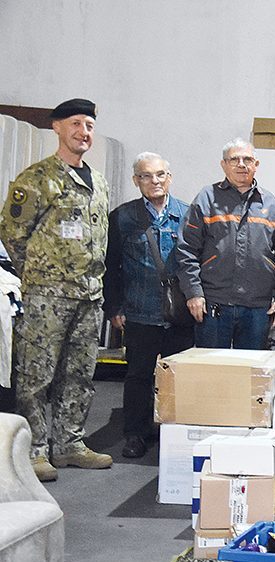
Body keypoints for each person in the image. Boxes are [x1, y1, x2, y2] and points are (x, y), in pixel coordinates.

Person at [0, 98, 112, 481]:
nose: (84, 132)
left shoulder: (99, 183)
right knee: (36, 375)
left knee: (79, 374)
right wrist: (40, 275)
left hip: (89, 297)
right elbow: (13, 234)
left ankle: (69, 444)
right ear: (58, 127)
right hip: (46, 297)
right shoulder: (37, 179)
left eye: (89, 126)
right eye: (76, 124)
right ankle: (33, 451)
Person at [104, 152, 193, 460]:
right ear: (136, 180)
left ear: (169, 178)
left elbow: (197, 262)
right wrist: (114, 307)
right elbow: (111, 266)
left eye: (160, 175)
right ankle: (135, 434)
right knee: (138, 376)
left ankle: (174, 433)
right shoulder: (122, 217)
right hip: (139, 311)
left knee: (177, 377)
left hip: (179, 314)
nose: (154, 181)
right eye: (146, 176)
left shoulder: (187, 214)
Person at [177, 139, 275, 349]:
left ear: (256, 165)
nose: (241, 164)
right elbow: (186, 249)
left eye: (247, 159)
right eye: (234, 159)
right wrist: (193, 293)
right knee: (211, 366)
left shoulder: (271, 204)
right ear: (224, 165)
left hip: (258, 307)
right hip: (213, 303)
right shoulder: (206, 199)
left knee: (250, 368)